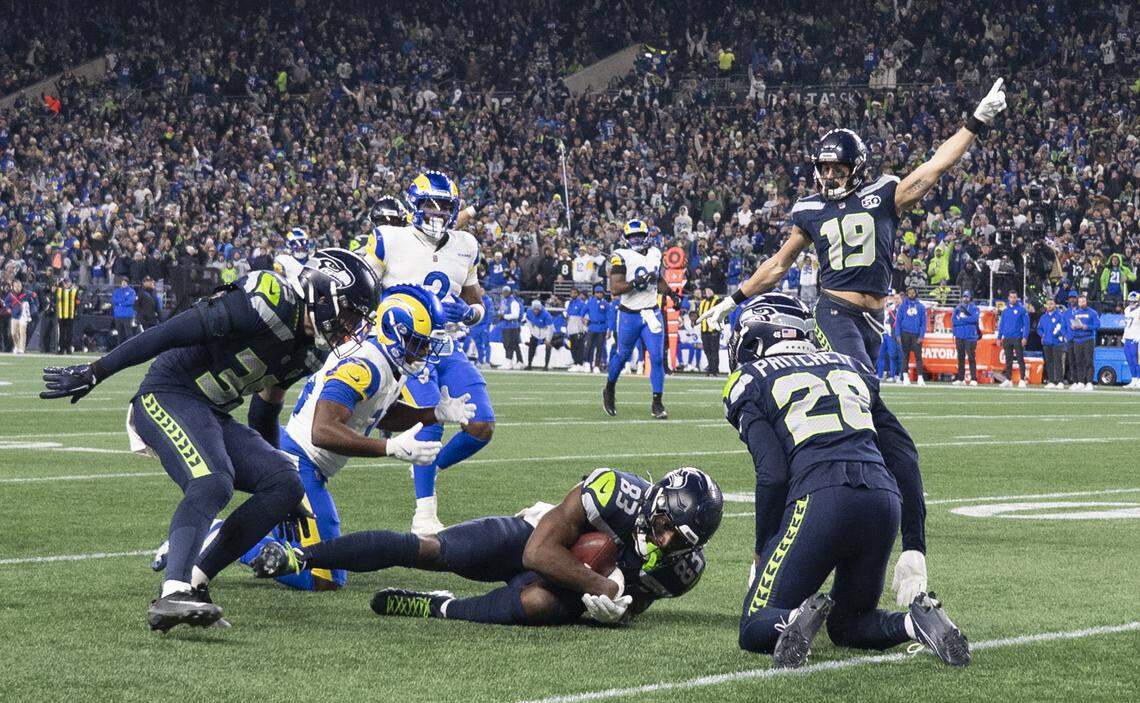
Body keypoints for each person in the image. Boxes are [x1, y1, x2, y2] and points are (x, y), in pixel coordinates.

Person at [40, 249, 382, 631]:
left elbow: (263, 412)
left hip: (211, 411)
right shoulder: (267, 300)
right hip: (167, 393)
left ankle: (195, 584)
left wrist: (282, 490)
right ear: (323, 293)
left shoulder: (311, 353)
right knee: (213, 480)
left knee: (286, 483)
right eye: (350, 314)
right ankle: (172, 592)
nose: (352, 327)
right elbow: (170, 332)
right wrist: (96, 370)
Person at [152, 285, 474, 591]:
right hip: (300, 462)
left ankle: (235, 538)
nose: (425, 351)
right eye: (419, 343)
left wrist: (432, 414)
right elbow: (323, 431)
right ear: (394, 333)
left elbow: (377, 413)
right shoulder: (365, 366)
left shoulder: (388, 361)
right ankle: (217, 536)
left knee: (317, 560)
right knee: (323, 577)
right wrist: (389, 447)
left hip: (308, 465)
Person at [722, 293, 967, 668]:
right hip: (882, 499)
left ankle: (796, 616)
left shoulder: (749, 379)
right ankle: (915, 623)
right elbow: (903, 454)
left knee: (755, 624)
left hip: (821, 498)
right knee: (850, 624)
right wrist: (914, 545)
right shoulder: (852, 367)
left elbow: (773, 474)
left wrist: (763, 551)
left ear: (757, 336)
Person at [249, 467, 723, 628]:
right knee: (434, 550)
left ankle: (438, 607)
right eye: (666, 526)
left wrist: (621, 611)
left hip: (567, 590)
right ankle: (304, 556)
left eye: (679, 540)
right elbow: (538, 553)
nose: (665, 540)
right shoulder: (613, 489)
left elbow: (638, 600)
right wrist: (604, 585)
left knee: (536, 603)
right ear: (655, 501)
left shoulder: (684, 568)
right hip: (529, 538)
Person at [357, 172, 495, 536]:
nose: (437, 212)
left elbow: (479, 305)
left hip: (446, 346)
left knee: (481, 426)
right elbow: (362, 289)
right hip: (404, 348)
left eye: (444, 206)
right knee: (430, 420)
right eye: (429, 205)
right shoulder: (390, 238)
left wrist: (469, 313)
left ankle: (426, 466)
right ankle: (424, 514)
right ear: (414, 206)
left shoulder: (466, 245)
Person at [603, 219, 678, 419]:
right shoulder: (620, 256)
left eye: (638, 236)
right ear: (626, 238)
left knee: (657, 358)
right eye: (632, 236)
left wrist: (671, 294)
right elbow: (615, 288)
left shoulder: (655, 253)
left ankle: (657, 402)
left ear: (646, 236)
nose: (635, 239)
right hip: (629, 314)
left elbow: (658, 278)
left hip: (651, 312)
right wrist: (634, 283)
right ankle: (609, 388)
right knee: (623, 355)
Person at [1065, 292, 1099, 391]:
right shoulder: (1075, 313)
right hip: (1077, 340)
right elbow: (1072, 325)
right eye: (1080, 302)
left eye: (1083, 301)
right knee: (1078, 362)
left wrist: (1087, 327)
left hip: (1088, 339)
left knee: (1089, 361)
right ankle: (1080, 382)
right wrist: (1073, 327)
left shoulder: (1092, 312)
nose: (1082, 303)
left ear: (1086, 301)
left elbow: (1097, 325)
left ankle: (1089, 382)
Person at [996, 291, 1029, 387]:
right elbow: (1001, 325)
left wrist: (1025, 337)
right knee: (1008, 360)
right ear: (1008, 298)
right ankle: (1008, 379)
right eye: (1011, 297)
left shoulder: (1022, 310)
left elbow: (1026, 324)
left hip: (1018, 337)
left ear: (1017, 298)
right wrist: (999, 337)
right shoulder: (1005, 311)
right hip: (1007, 338)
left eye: (1014, 297)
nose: (1013, 299)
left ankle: (1022, 379)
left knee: (1020, 359)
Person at [895, 286, 926, 385]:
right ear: (907, 294)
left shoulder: (921, 306)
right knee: (905, 356)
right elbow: (898, 322)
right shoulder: (903, 306)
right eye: (909, 293)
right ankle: (905, 377)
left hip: (916, 334)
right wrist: (898, 335)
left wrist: (921, 336)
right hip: (905, 333)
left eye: (913, 293)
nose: (911, 294)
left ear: (916, 293)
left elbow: (923, 323)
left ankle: (920, 378)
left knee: (918, 356)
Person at [951, 291, 980, 385]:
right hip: (959, 336)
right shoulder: (957, 308)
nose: (965, 298)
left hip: (970, 337)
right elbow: (953, 321)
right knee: (960, 358)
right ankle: (960, 379)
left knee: (971, 358)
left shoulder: (974, 308)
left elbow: (974, 319)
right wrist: (967, 321)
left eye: (967, 297)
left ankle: (974, 379)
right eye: (964, 296)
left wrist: (962, 320)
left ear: (970, 297)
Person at [1037, 299, 1067, 388]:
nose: (1049, 306)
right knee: (1049, 363)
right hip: (1047, 343)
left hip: (1057, 343)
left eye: (1051, 304)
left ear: (1055, 305)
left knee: (1058, 362)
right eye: (1048, 304)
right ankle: (1051, 381)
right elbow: (1039, 329)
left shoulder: (1060, 316)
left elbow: (1063, 328)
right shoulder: (1043, 317)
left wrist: (1058, 335)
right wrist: (1042, 335)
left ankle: (1060, 381)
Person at [584, 284, 611, 373]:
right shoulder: (590, 302)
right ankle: (587, 363)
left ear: (603, 293)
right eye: (597, 292)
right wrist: (584, 318)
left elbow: (609, 317)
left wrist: (609, 329)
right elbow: (583, 311)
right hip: (592, 326)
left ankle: (596, 365)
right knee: (589, 346)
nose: (599, 294)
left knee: (600, 347)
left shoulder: (606, 304)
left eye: (600, 292)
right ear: (594, 293)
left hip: (602, 327)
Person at [696, 287, 723, 376]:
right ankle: (711, 368)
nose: (708, 292)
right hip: (704, 330)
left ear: (713, 291)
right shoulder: (703, 302)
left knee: (714, 351)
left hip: (714, 330)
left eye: (710, 290)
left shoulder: (717, 300)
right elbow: (699, 315)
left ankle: (714, 370)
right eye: (706, 290)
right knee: (707, 351)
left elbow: (721, 313)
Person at [524, 299, 554, 370]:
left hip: (545, 330)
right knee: (532, 346)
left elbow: (550, 328)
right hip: (536, 329)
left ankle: (546, 365)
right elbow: (528, 320)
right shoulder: (529, 312)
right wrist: (532, 330)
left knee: (548, 346)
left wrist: (548, 339)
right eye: (534, 309)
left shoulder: (546, 315)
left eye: (537, 309)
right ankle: (529, 364)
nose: (536, 311)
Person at [499, 285, 524, 369]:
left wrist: (504, 316)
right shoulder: (503, 301)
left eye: (506, 291)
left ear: (510, 292)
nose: (505, 293)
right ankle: (512, 361)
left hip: (512, 326)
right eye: (504, 291)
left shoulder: (514, 302)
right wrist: (499, 315)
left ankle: (512, 361)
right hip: (505, 326)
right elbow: (501, 311)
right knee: (507, 344)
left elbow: (515, 315)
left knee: (511, 344)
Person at [55, 277, 80, 354]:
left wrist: (77, 311)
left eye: (67, 283)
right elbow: (53, 292)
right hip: (61, 314)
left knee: (69, 332)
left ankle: (68, 348)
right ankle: (62, 348)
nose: (65, 284)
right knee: (62, 332)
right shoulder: (59, 290)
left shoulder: (74, 290)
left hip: (70, 314)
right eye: (64, 283)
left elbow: (77, 301)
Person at [5, 279, 31, 354]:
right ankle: (17, 346)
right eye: (16, 286)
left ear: (21, 286)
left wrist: (30, 312)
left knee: (22, 333)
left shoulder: (25, 294)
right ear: (13, 286)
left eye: (19, 286)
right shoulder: (11, 294)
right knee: (13, 333)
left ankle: (22, 349)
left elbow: (32, 302)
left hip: (23, 316)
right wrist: (8, 308)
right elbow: (6, 302)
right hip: (14, 316)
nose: (17, 288)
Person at [566, 289, 588, 372]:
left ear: (578, 294)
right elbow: (568, 315)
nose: (573, 294)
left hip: (578, 328)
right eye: (571, 293)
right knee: (573, 347)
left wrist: (583, 328)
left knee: (579, 347)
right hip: (571, 328)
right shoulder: (570, 303)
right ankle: (575, 363)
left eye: (574, 293)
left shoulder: (581, 303)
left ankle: (580, 364)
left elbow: (584, 316)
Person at [111, 277, 137, 348]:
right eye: (122, 282)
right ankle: (120, 349)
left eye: (125, 282)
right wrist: (123, 301)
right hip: (118, 315)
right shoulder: (117, 291)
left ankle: (130, 348)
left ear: (128, 283)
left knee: (128, 333)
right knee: (120, 334)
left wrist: (120, 303)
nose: (123, 283)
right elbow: (114, 300)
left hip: (127, 315)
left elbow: (130, 301)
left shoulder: (131, 291)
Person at [470, 291, 493, 368]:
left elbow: (490, 314)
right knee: (478, 344)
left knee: (486, 344)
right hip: (475, 326)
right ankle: (480, 361)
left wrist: (487, 325)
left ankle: (487, 362)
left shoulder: (488, 301)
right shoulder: (474, 300)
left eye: (481, 290)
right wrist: (471, 325)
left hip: (483, 325)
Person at [1124, 292, 1140, 388]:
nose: (1131, 303)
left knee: (1136, 360)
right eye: (1130, 301)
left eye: (1133, 301)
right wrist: (1124, 336)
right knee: (1129, 360)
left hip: (1136, 338)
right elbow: (1127, 325)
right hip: (1127, 337)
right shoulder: (1126, 309)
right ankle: (1133, 379)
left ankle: (1139, 379)